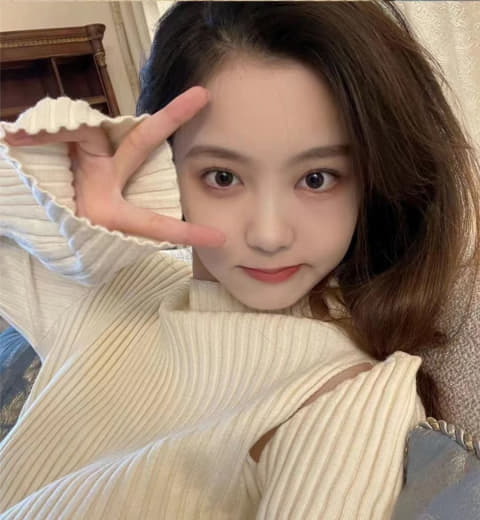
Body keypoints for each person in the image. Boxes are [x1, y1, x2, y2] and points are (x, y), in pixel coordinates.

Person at [0, 1, 479, 518]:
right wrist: (64, 205)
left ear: (373, 183)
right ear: (164, 164)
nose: (269, 235)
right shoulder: (112, 281)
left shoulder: (347, 400)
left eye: (317, 178)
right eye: (223, 177)